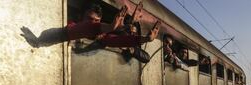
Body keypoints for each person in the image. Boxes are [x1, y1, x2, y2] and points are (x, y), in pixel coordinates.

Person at [21, 3, 160, 49]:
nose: (93, 23)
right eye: (90, 19)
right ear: (80, 17)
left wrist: (145, 40)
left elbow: (119, 41)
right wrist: (105, 27)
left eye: (97, 21)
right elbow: (76, 30)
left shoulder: (102, 36)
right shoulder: (72, 26)